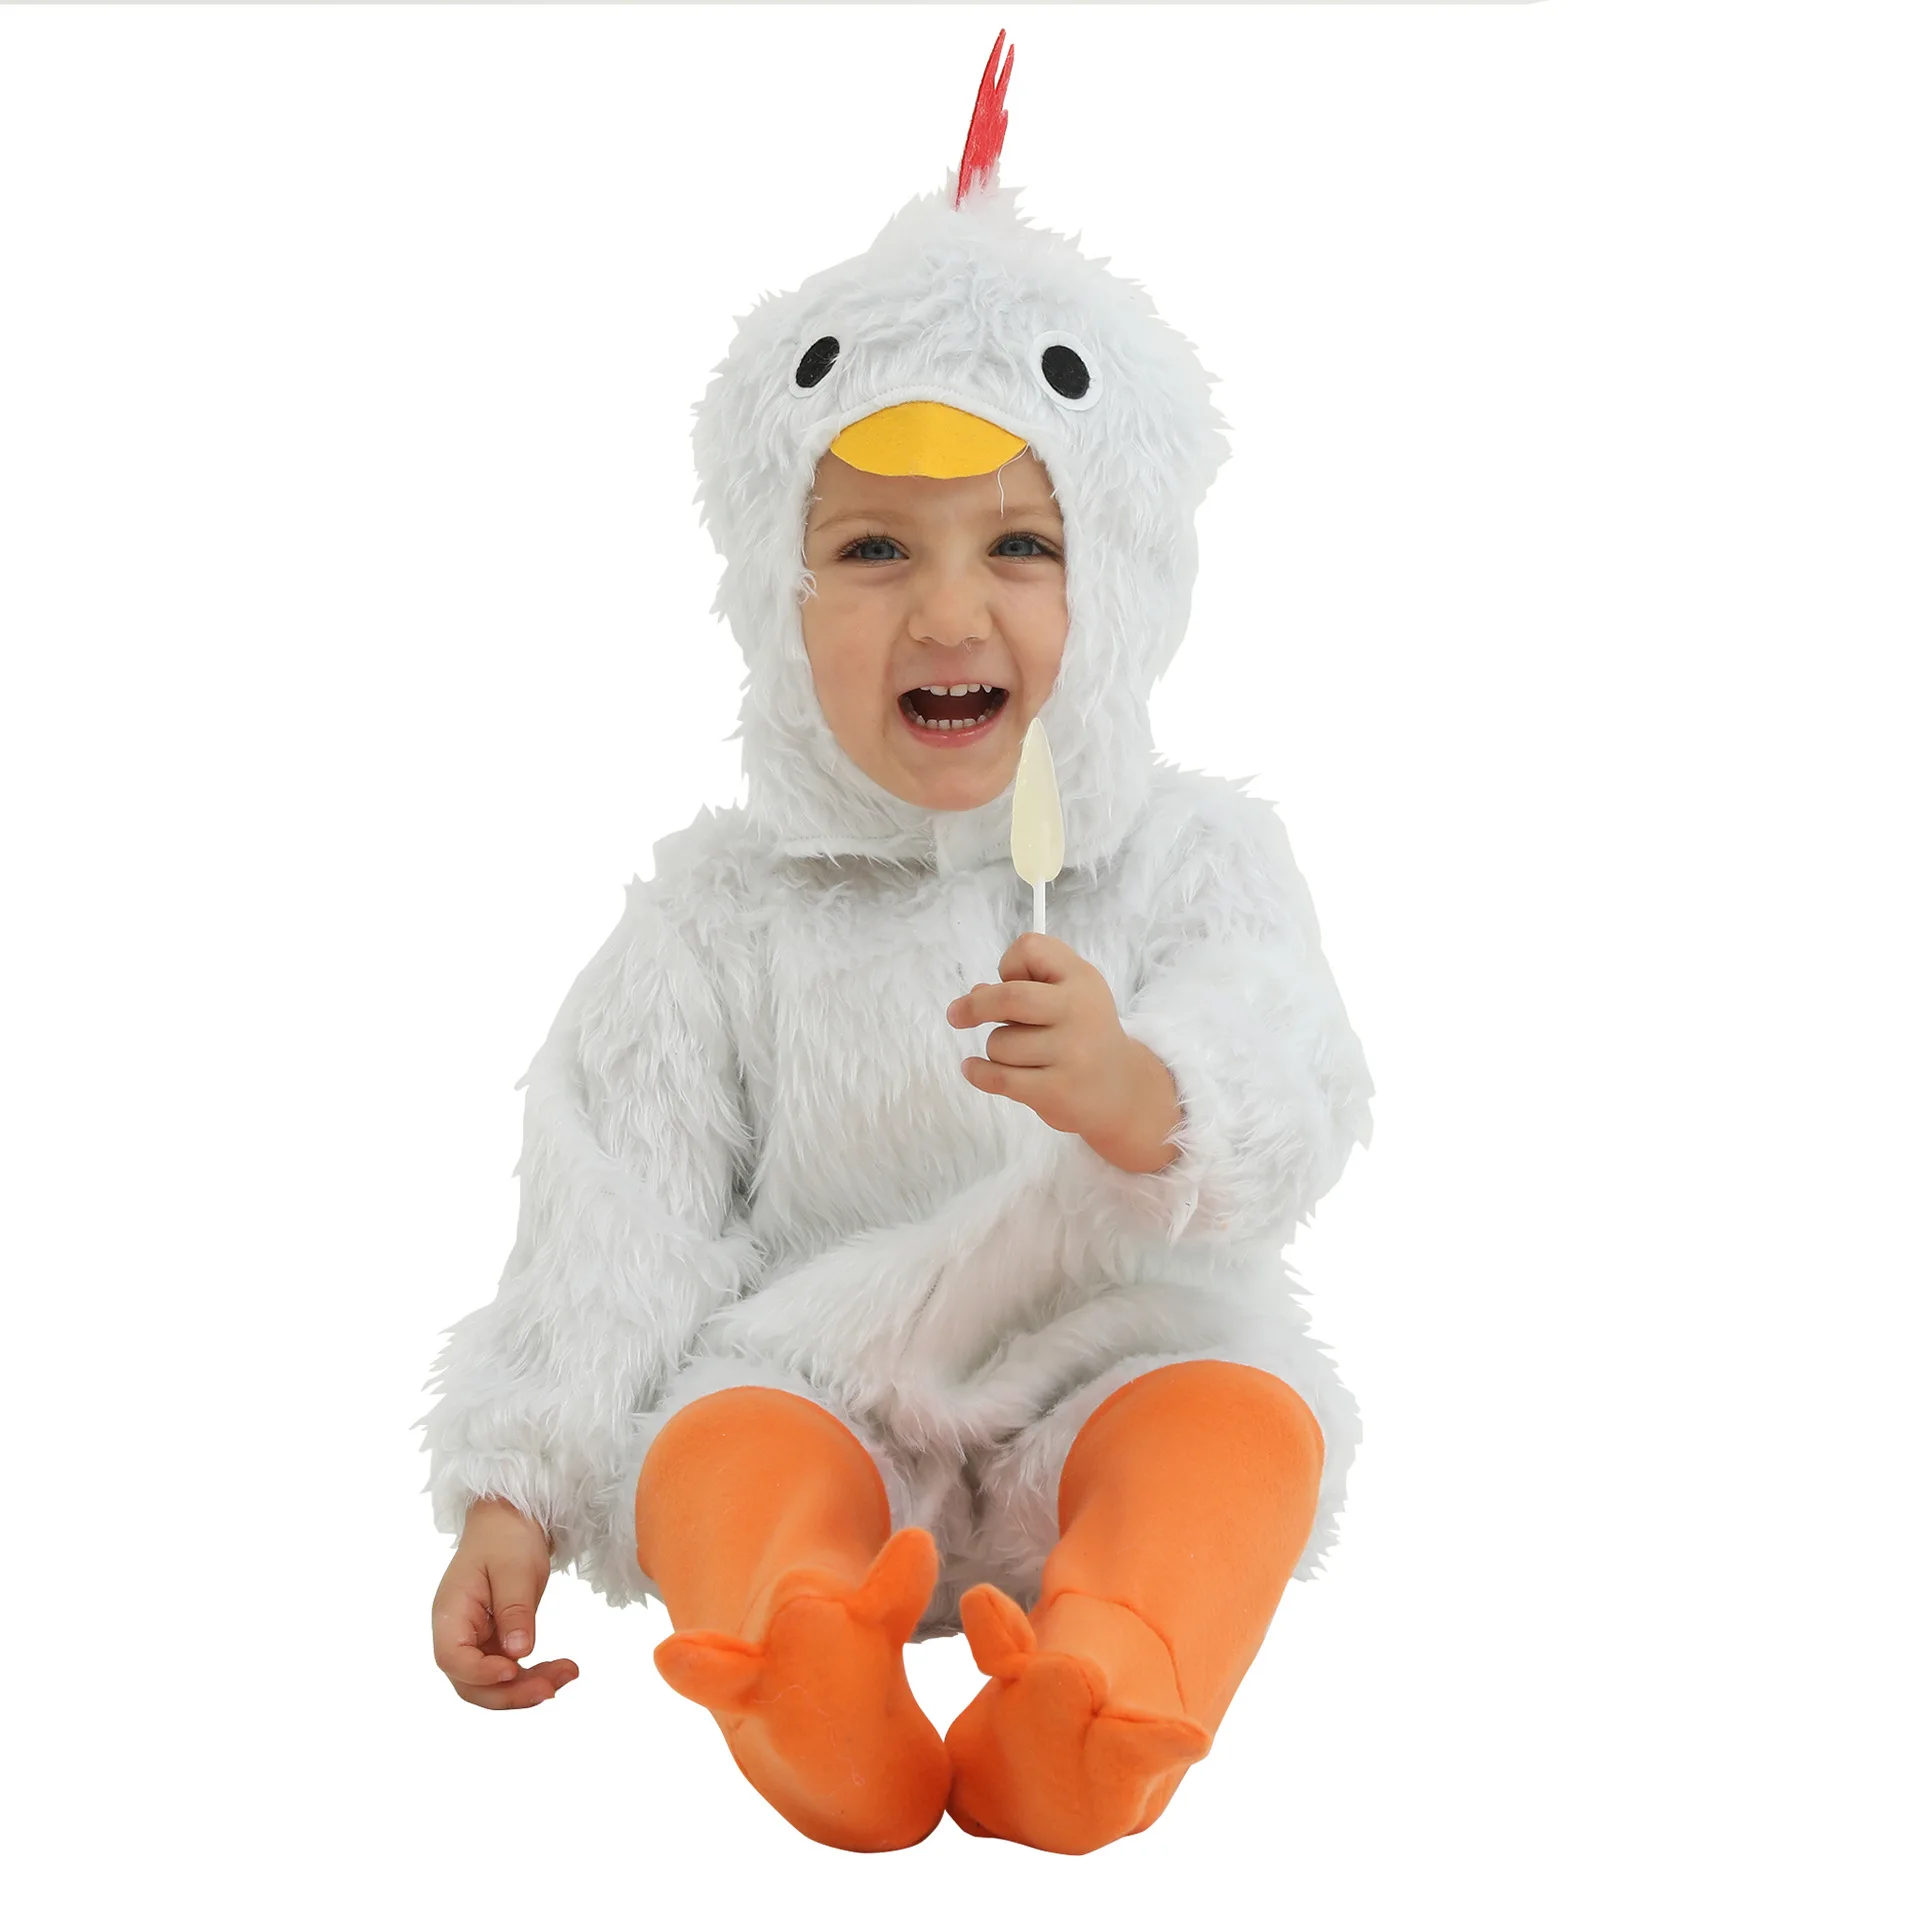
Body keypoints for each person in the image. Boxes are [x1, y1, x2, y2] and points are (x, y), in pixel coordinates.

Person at [421, 30, 1372, 1855]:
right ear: (774, 597)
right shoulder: (718, 918)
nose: (948, 613)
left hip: (1116, 1349)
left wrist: (1149, 1091)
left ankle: (1107, 1675)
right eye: (871, 553)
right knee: (718, 1448)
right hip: (821, 1373)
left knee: (1239, 1427)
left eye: (1020, 547)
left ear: (1124, 583)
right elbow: (612, 1215)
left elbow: (1302, 1073)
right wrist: (516, 1487)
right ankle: (805, 1662)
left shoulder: (1190, 856)